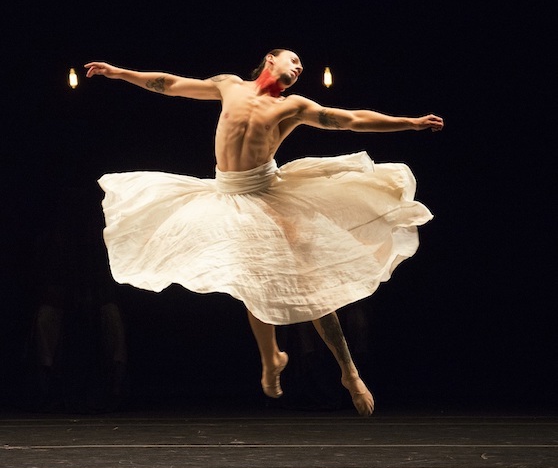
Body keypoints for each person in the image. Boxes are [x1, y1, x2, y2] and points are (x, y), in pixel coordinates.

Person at [84, 49, 444, 416]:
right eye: (294, 61)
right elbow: (171, 84)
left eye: (301, 67)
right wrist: (119, 72)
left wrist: (410, 123)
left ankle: (349, 372)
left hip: (267, 193)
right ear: (270, 59)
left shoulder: (292, 106)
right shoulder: (228, 86)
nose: (299, 68)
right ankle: (271, 358)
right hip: (227, 194)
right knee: (251, 280)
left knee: (311, 285)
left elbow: (350, 119)